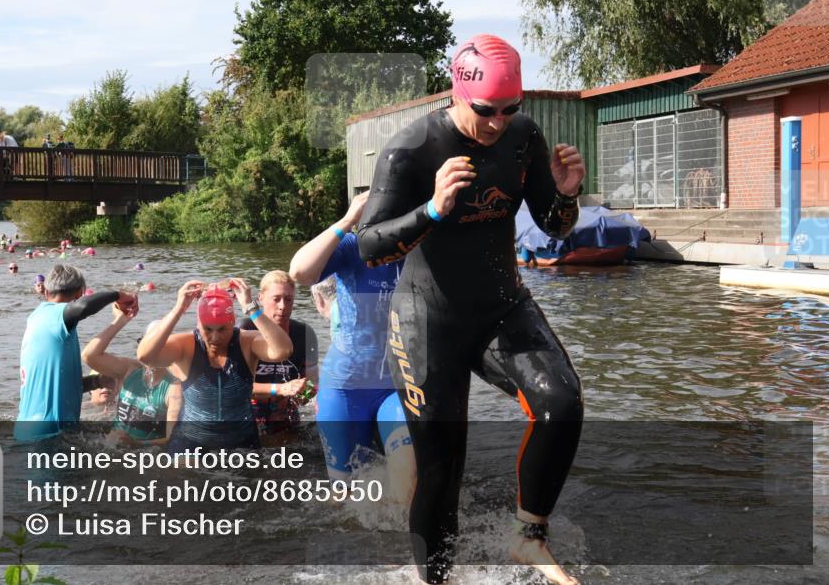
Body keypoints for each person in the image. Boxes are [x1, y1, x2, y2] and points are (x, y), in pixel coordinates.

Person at [355, 34, 586, 585]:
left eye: (511, 109)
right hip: (426, 320)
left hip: (500, 305)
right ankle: (435, 580)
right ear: (459, 94)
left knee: (562, 404)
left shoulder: (522, 137)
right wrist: (432, 209)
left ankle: (526, 538)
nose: (498, 123)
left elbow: (553, 227)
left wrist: (566, 196)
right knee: (442, 471)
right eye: (486, 111)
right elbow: (369, 248)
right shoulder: (411, 150)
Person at [288, 191, 415, 505]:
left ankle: (407, 547)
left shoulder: (420, 250)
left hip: (397, 386)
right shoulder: (353, 248)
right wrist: (347, 221)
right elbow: (299, 272)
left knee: (409, 484)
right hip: (345, 388)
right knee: (344, 498)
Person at [136, 279, 292, 452]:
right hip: (189, 442)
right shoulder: (185, 345)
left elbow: (283, 350)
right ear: (198, 324)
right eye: (208, 329)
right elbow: (146, 356)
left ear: (233, 322)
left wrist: (251, 307)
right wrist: (178, 309)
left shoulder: (247, 341)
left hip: (242, 442)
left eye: (222, 329)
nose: (215, 338)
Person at [14, 264, 138, 441]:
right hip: (49, 434)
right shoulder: (55, 317)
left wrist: (96, 381)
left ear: (46, 290)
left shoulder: (36, 319)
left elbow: (56, 385)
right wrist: (118, 295)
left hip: (28, 430)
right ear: (80, 293)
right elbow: (83, 307)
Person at [236, 271, 318, 443]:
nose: (282, 306)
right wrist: (280, 388)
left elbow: (309, 388)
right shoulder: (245, 330)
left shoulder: (304, 333)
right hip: (248, 415)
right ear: (260, 298)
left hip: (286, 416)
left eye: (288, 300)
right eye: (276, 299)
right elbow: (235, 387)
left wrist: (307, 391)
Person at [83, 310, 182, 447]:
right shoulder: (129, 369)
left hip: (143, 455)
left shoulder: (173, 388)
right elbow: (89, 355)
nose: (151, 351)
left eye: (158, 346)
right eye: (148, 344)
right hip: (110, 446)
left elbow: (172, 438)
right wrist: (121, 319)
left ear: (169, 351)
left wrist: (136, 444)